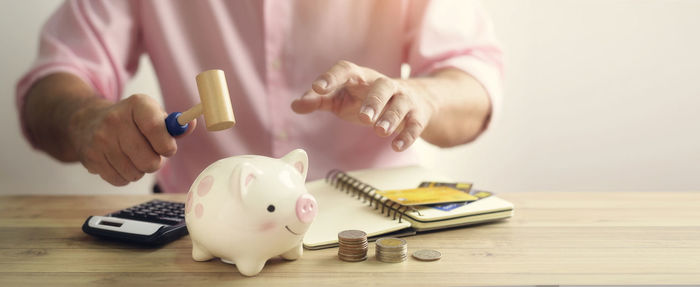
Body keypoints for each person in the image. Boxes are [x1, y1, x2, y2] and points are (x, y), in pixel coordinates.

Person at [17, 0, 502, 193]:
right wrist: (84, 119)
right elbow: (54, 82)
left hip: (374, 221)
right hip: (199, 222)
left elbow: (473, 83)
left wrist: (419, 97)